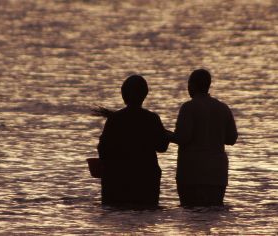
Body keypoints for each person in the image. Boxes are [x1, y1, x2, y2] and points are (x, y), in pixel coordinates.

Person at [169, 69, 238, 207]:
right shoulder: (223, 108)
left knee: (191, 214)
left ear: (193, 85)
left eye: (189, 84)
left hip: (192, 174)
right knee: (213, 216)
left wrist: (162, 133)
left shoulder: (189, 107)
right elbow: (231, 138)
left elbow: (183, 138)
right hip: (217, 174)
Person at [97, 75, 169, 207]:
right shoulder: (152, 119)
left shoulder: (114, 119)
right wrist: (167, 135)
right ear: (145, 94)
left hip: (117, 184)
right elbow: (162, 146)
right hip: (146, 183)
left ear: (123, 95)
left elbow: (103, 151)